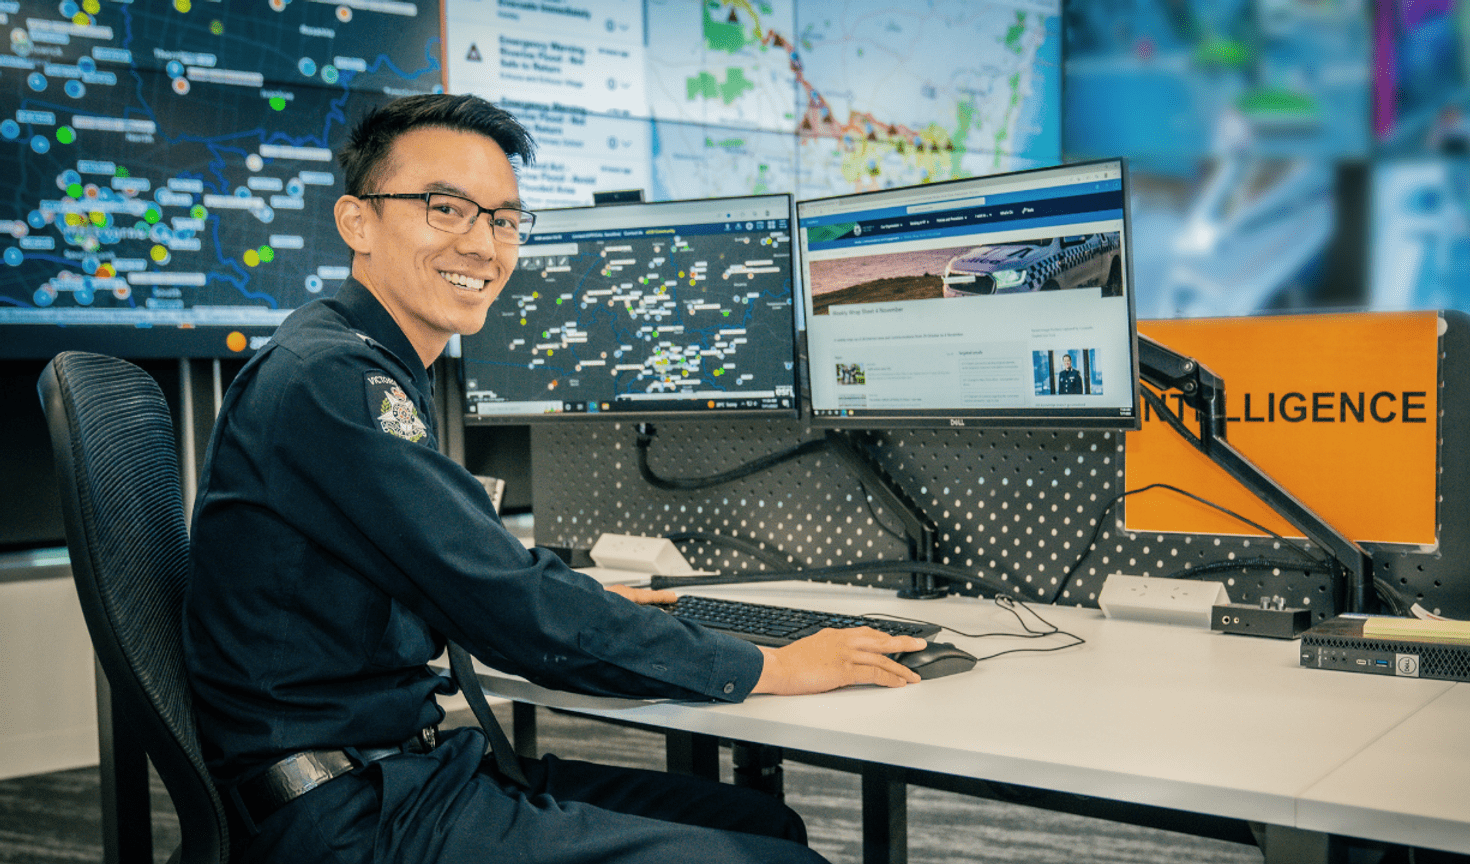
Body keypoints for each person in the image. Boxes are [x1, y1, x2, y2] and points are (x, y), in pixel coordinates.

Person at [183, 93, 925, 864]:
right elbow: (508, 606)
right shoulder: (333, 381)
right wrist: (770, 664)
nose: (484, 244)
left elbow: (467, 580)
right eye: (447, 208)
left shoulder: (352, 361)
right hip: (350, 816)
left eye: (503, 219)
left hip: (395, 771)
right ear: (357, 223)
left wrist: (586, 604)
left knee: (763, 825)